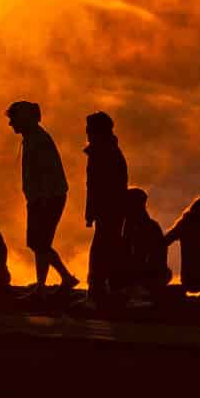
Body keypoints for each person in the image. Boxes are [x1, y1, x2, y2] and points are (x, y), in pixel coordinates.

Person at [5, 101, 76, 292]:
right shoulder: (33, 138)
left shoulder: (38, 139)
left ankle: (48, 283)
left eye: (13, 118)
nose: (11, 123)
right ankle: (56, 280)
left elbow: (46, 172)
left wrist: (42, 200)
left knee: (40, 242)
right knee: (39, 243)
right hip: (42, 197)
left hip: (47, 198)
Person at [83, 112, 127, 303]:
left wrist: (90, 211)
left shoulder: (103, 152)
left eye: (90, 129)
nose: (86, 132)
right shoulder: (106, 150)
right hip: (110, 209)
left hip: (109, 209)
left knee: (103, 247)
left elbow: (96, 186)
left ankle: (98, 289)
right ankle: (102, 288)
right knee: (106, 246)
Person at [119, 188, 172, 301]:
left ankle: (138, 290)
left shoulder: (142, 227)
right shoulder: (147, 225)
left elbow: (145, 257)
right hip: (147, 275)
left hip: (144, 275)